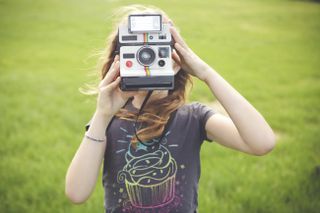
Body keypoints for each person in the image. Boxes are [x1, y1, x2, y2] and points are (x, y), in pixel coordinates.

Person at [65, 4, 276, 213]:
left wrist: (205, 73)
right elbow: (76, 193)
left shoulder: (194, 118)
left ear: (176, 59)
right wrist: (102, 114)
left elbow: (262, 143)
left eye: (156, 50)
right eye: (136, 51)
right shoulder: (106, 120)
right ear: (118, 60)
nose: (145, 58)